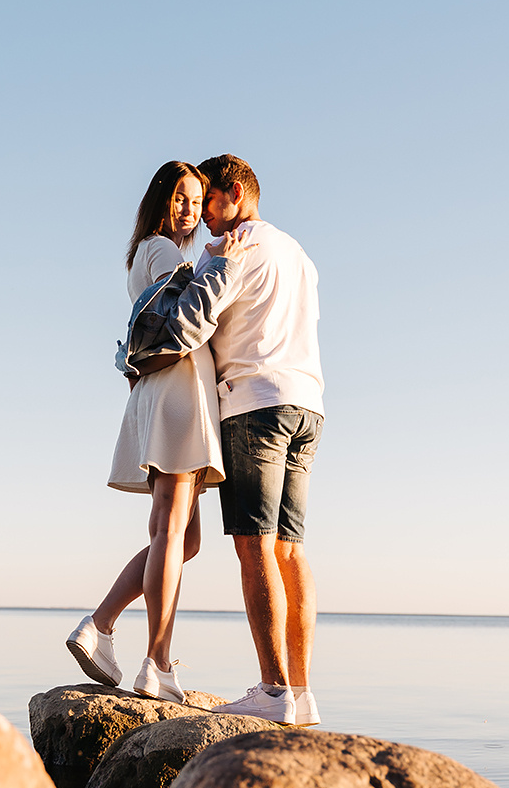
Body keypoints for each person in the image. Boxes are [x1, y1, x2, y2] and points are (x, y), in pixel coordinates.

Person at [66, 161, 245, 704]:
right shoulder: (164, 250)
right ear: (161, 201)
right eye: (182, 199)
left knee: (181, 537)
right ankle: (158, 663)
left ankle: (99, 626)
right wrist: (223, 265)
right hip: (177, 391)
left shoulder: (150, 253)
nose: (191, 209)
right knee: (171, 530)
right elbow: (186, 320)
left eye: (197, 200)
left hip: (162, 391)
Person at [197, 154, 325, 726]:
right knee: (290, 550)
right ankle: (300, 691)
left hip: (256, 404)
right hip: (308, 405)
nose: (201, 217)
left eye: (207, 201)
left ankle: (272, 692)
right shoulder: (297, 253)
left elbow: (200, 313)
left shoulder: (237, 245)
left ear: (235, 194)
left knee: (254, 545)